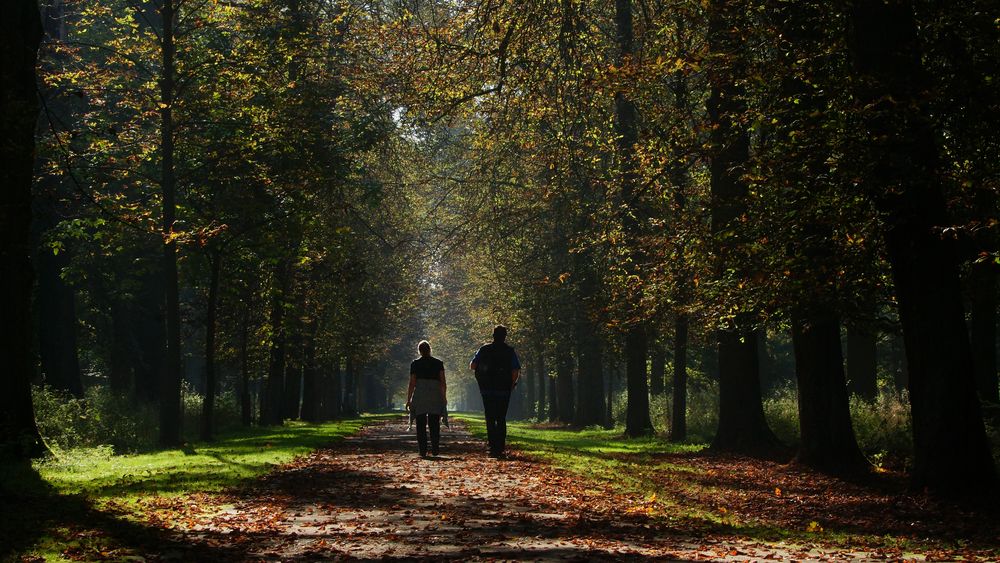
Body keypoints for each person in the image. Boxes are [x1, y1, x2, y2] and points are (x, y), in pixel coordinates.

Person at [470, 325, 520, 459]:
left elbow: (473, 365)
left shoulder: (484, 349)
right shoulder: (510, 351)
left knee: (490, 417)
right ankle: (500, 447)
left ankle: (492, 447)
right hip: (503, 390)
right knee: (501, 417)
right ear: (505, 336)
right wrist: (512, 383)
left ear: (493, 335)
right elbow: (515, 370)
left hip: (487, 389)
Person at [405, 340, 447, 457]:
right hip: (435, 394)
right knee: (434, 422)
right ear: (430, 350)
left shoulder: (415, 364)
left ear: (419, 351)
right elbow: (443, 382)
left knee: (420, 422)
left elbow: (412, 383)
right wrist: (443, 397)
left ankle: (422, 450)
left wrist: (409, 399)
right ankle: (435, 447)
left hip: (421, 394)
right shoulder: (438, 363)